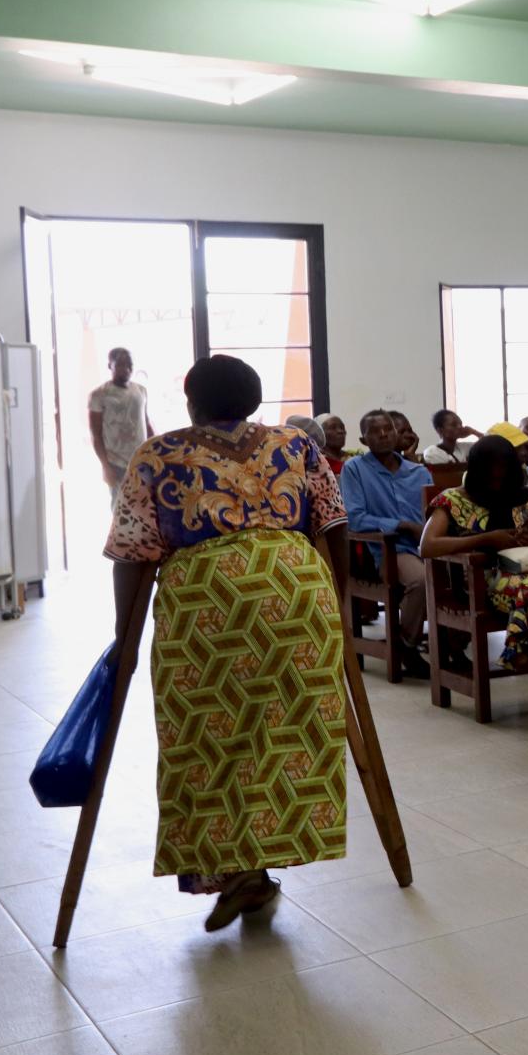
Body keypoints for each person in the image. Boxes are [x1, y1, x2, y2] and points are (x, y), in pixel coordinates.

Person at [104, 354, 350, 930]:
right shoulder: (297, 445)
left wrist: (125, 637)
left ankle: (239, 871)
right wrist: (335, 601)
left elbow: (132, 553)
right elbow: (335, 523)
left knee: (210, 737)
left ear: (190, 402)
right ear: (256, 399)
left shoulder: (158, 454)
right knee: (286, 732)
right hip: (298, 597)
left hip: (206, 608)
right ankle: (255, 871)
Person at [417, 434, 528, 685]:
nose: (497, 477)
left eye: (503, 470)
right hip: (479, 583)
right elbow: (428, 546)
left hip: (527, 573)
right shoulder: (454, 499)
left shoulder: (523, 498)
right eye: (490, 471)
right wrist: (485, 539)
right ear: (476, 470)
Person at [339, 408, 436, 678]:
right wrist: (403, 525)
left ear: (397, 434)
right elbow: (355, 519)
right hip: (386, 551)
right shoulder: (354, 469)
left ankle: (451, 647)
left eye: (388, 429)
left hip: (426, 545)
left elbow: (433, 513)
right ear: (363, 440)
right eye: (375, 431)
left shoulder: (418, 472)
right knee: (420, 580)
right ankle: (407, 645)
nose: (383, 435)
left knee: (460, 575)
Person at [88, 347, 153, 488]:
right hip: (116, 464)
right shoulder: (99, 395)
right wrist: (105, 467)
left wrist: (156, 450)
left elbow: (146, 423)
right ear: (110, 365)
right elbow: (96, 435)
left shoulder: (141, 390)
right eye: (120, 364)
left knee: (146, 505)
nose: (126, 369)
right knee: (120, 507)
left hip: (141, 461)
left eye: (129, 364)